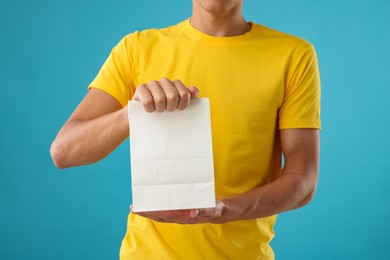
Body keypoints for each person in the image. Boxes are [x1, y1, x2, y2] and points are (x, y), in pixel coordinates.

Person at [50, 0, 321, 259]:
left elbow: (302, 178)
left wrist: (223, 210)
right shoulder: (135, 49)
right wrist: (131, 113)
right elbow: (64, 151)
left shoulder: (294, 56)